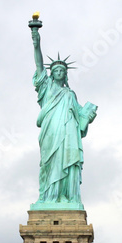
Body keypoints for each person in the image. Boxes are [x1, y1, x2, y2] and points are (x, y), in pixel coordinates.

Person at [29, 18, 97, 207]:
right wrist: (36, 41)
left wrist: (88, 115)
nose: (59, 72)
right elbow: (39, 64)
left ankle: (67, 197)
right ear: (51, 74)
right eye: (56, 69)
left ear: (65, 75)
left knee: (65, 161)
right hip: (51, 132)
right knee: (49, 164)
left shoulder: (69, 94)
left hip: (68, 136)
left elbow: (81, 117)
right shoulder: (47, 87)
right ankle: (48, 197)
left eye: (62, 70)